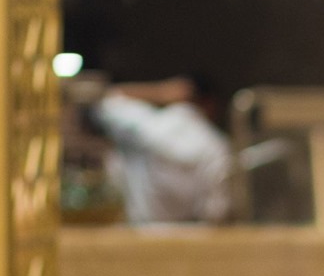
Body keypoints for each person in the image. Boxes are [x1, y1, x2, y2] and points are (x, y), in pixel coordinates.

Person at [94, 75, 234, 224]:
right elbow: (217, 211)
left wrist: (161, 92)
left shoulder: (147, 125)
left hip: (138, 230)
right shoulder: (217, 145)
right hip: (193, 234)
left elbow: (106, 102)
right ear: (211, 104)